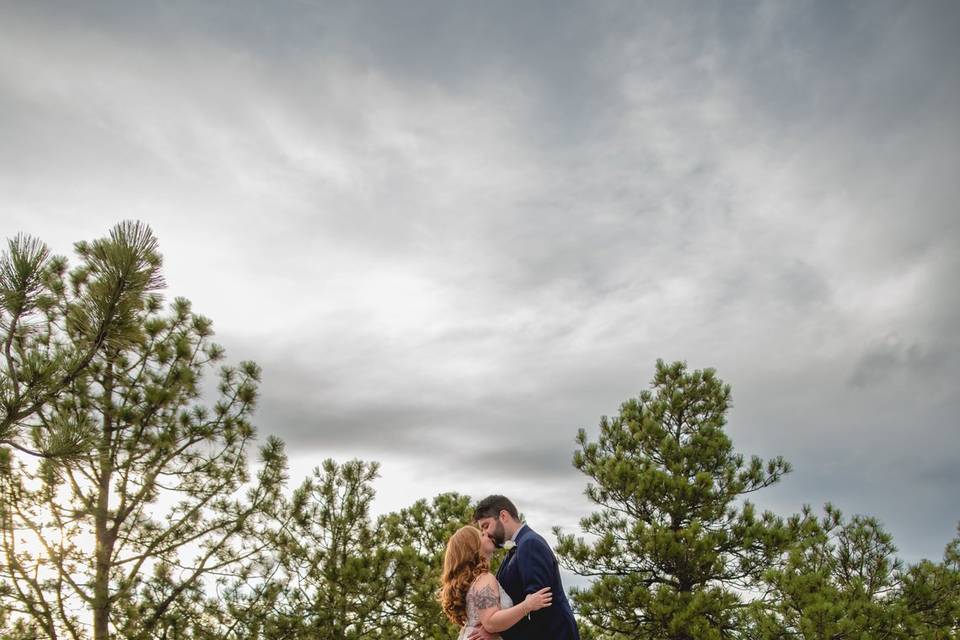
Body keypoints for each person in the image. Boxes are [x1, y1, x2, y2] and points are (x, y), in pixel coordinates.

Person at [470, 495, 580, 640]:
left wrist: (496, 630)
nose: (486, 534)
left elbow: (539, 605)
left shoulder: (530, 544)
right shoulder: (516, 548)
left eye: (486, 526)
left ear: (503, 516)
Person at [440, 525, 553, 640]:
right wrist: (527, 605)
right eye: (482, 535)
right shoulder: (484, 579)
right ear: (472, 546)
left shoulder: (473, 581)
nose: (487, 534)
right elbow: (490, 622)